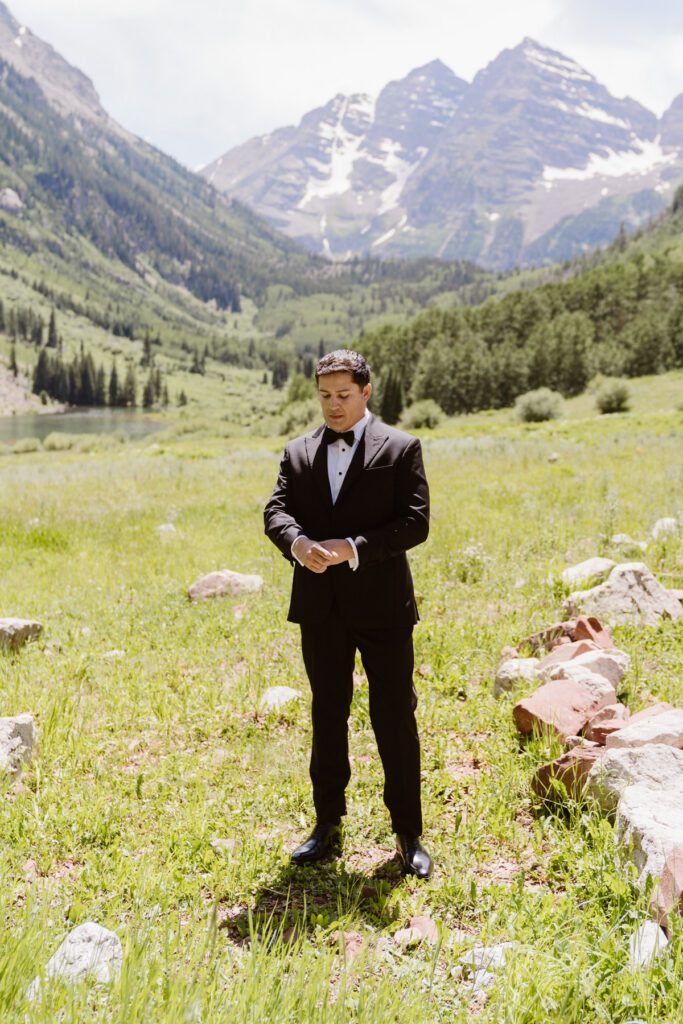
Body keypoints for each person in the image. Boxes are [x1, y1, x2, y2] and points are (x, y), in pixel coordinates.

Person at [264, 349, 433, 878]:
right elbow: (276, 511)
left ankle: (408, 833)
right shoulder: (297, 451)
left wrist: (353, 547)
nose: (333, 406)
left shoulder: (402, 447)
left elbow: (415, 523)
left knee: (394, 715)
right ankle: (327, 826)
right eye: (324, 396)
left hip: (384, 605)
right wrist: (296, 544)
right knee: (327, 712)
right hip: (320, 608)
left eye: (343, 395)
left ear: (366, 391)